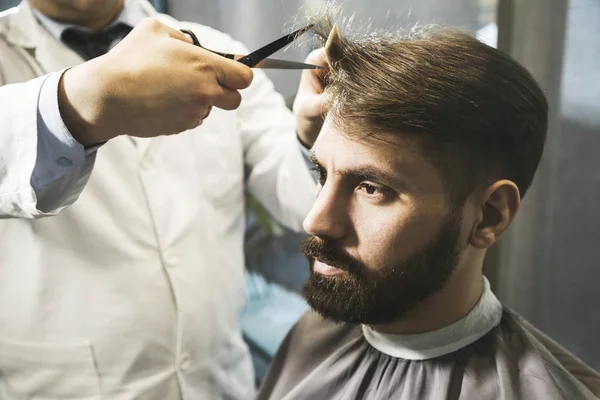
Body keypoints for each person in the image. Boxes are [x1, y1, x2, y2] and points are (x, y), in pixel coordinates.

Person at [256, 17, 600, 400]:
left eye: (371, 188)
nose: (315, 220)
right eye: (321, 172)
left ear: (489, 215)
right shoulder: (315, 335)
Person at [0, 1, 325, 399]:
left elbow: (296, 191)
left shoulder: (215, 46)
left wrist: (316, 138)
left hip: (220, 384)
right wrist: (81, 101)